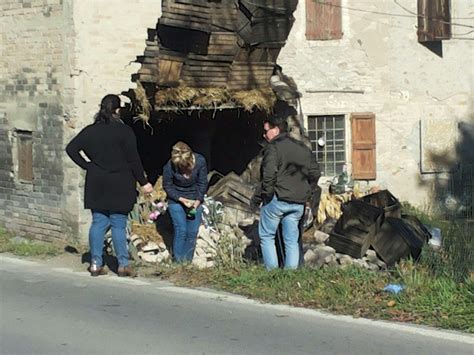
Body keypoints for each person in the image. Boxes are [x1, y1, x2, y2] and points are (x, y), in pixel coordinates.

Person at [66, 94, 153, 277]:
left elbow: (71, 149)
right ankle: (122, 265)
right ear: (117, 110)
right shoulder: (125, 132)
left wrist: (88, 166)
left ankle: (96, 263)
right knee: (118, 224)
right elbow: (133, 160)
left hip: (97, 181)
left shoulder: (90, 131)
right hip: (120, 182)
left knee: (98, 222)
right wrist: (144, 182)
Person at [251, 103, 320, 270]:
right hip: (298, 202)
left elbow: (268, 175)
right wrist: (307, 193)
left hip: (278, 199)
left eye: (266, 130)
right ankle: (290, 275)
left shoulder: (273, 148)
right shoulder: (303, 148)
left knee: (267, 236)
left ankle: (272, 273)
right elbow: (315, 173)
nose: (264, 134)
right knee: (291, 240)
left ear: (275, 130)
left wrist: (265, 196)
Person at [163, 142, 208, 262]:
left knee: (192, 232)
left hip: (195, 198)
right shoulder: (169, 166)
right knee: (181, 229)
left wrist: (198, 201)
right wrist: (181, 199)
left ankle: (187, 261)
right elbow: (167, 186)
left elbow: (203, 183)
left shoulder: (200, 161)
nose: (183, 169)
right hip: (177, 199)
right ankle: (178, 261)